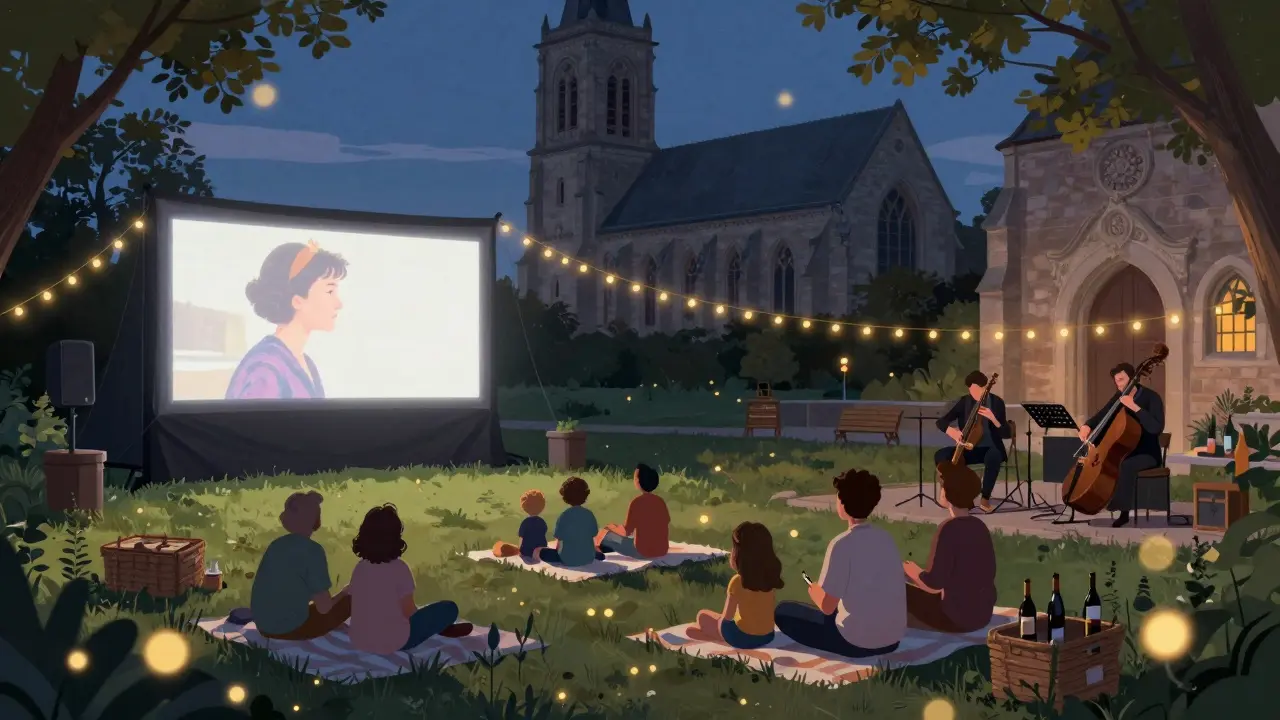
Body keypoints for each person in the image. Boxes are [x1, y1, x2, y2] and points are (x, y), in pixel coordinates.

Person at [773, 469, 906, 658]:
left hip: (855, 643)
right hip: (892, 641)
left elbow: (827, 607)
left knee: (784, 611)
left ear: (842, 503)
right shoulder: (886, 538)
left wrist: (815, 592)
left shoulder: (841, 544)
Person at [226, 240, 348, 400]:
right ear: (297, 300)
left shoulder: (304, 363)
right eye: (330, 291)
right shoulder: (265, 368)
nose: (339, 304)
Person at [346, 504, 473, 653]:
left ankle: (442, 629)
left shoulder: (360, 568)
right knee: (449, 608)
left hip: (360, 640)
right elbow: (409, 611)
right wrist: (425, 620)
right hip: (394, 641)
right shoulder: (399, 568)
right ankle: (442, 629)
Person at [902, 464, 997, 633]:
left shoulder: (949, 529)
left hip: (955, 619)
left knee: (899, 589)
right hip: (983, 615)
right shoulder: (980, 527)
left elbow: (934, 584)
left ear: (947, 492)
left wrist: (913, 572)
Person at [248, 491, 350, 639]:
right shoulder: (313, 551)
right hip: (290, 629)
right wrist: (344, 593)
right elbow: (324, 608)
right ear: (316, 521)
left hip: (263, 626)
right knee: (352, 600)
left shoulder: (276, 545)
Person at [1076, 362, 1165, 528]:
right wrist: (1087, 425)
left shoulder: (1152, 398)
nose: (1119, 384)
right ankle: (1099, 499)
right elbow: (1103, 414)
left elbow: (1156, 428)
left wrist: (1135, 407)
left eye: (1122, 380)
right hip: (1126, 450)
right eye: (1116, 381)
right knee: (1112, 461)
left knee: (1125, 464)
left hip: (1147, 454)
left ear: (1132, 378)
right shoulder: (1119, 397)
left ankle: (1123, 513)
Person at [686, 521, 783, 649]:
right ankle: (714, 636)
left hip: (741, 637)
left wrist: (719, 629)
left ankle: (718, 638)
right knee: (704, 623)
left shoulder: (738, 581)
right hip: (767, 636)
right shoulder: (769, 577)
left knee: (702, 616)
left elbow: (727, 618)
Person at [934, 370, 1009, 513]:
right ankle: (949, 491)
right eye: (971, 390)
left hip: (990, 447)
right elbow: (941, 422)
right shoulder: (965, 402)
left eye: (977, 390)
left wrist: (993, 419)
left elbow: (1006, 433)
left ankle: (985, 499)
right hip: (968, 448)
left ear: (985, 387)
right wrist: (953, 432)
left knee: (994, 456)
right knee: (941, 455)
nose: (974, 393)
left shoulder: (996, 403)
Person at [596, 463, 670, 559]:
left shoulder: (637, 502)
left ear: (638, 481)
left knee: (605, 534)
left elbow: (627, 531)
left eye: (635, 477)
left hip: (641, 552)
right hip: (661, 550)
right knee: (622, 537)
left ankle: (596, 551)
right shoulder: (660, 502)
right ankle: (604, 548)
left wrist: (611, 528)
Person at [535, 477, 607, 566]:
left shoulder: (564, 516)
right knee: (593, 549)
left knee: (539, 551)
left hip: (568, 559)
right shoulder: (589, 514)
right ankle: (597, 554)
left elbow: (559, 541)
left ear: (565, 496)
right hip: (588, 557)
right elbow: (594, 534)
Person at [492, 489, 549, 559]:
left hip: (527, 551)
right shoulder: (542, 522)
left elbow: (521, 538)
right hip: (542, 550)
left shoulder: (525, 523)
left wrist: (520, 549)